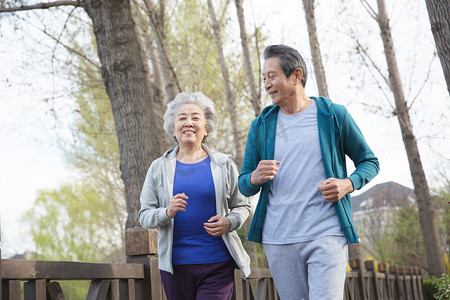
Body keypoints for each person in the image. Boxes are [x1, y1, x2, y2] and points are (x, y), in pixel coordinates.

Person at [238, 45, 380, 300]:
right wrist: (254, 177)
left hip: (326, 233)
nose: (267, 84)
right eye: (264, 78)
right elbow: (244, 184)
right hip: (278, 238)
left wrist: (348, 184)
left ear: (296, 75)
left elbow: (369, 162)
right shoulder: (261, 126)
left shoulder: (333, 116)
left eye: (272, 76)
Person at [139, 92, 251, 300]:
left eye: (195, 117)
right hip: (174, 267)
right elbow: (144, 215)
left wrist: (229, 221)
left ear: (206, 127)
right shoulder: (158, 168)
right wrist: (166, 212)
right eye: (182, 118)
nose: (188, 122)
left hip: (217, 263)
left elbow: (243, 206)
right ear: (173, 127)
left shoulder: (223, 164)